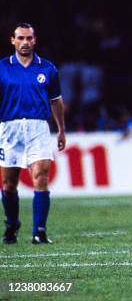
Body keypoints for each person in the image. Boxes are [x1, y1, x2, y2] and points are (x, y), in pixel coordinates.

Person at [1, 23, 66, 244]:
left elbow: (56, 102)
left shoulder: (47, 69)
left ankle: (39, 231)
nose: (25, 42)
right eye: (20, 38)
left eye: (29, 38)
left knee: (41, 177)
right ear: (13, 40)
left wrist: (61, 130)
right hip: (9, 128)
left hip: (38, 127)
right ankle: (12, 225)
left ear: (35, 40)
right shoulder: (2, 67)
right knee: (9, 184)